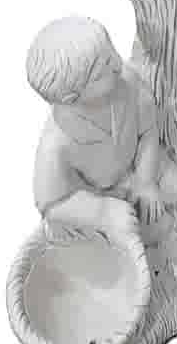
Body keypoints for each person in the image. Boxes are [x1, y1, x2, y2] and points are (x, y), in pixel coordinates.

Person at [27, 16, 165, 232]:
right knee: (128, 225)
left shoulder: (128, 84)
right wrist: (102, 212)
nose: (118, 64)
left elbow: (148, 131)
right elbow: (51, 204)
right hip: (95, 193)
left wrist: (146, 181)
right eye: (104, 70)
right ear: (72, 98)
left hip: (133, 173)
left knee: (176, 189)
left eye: (112, 53)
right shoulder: (56, 145)